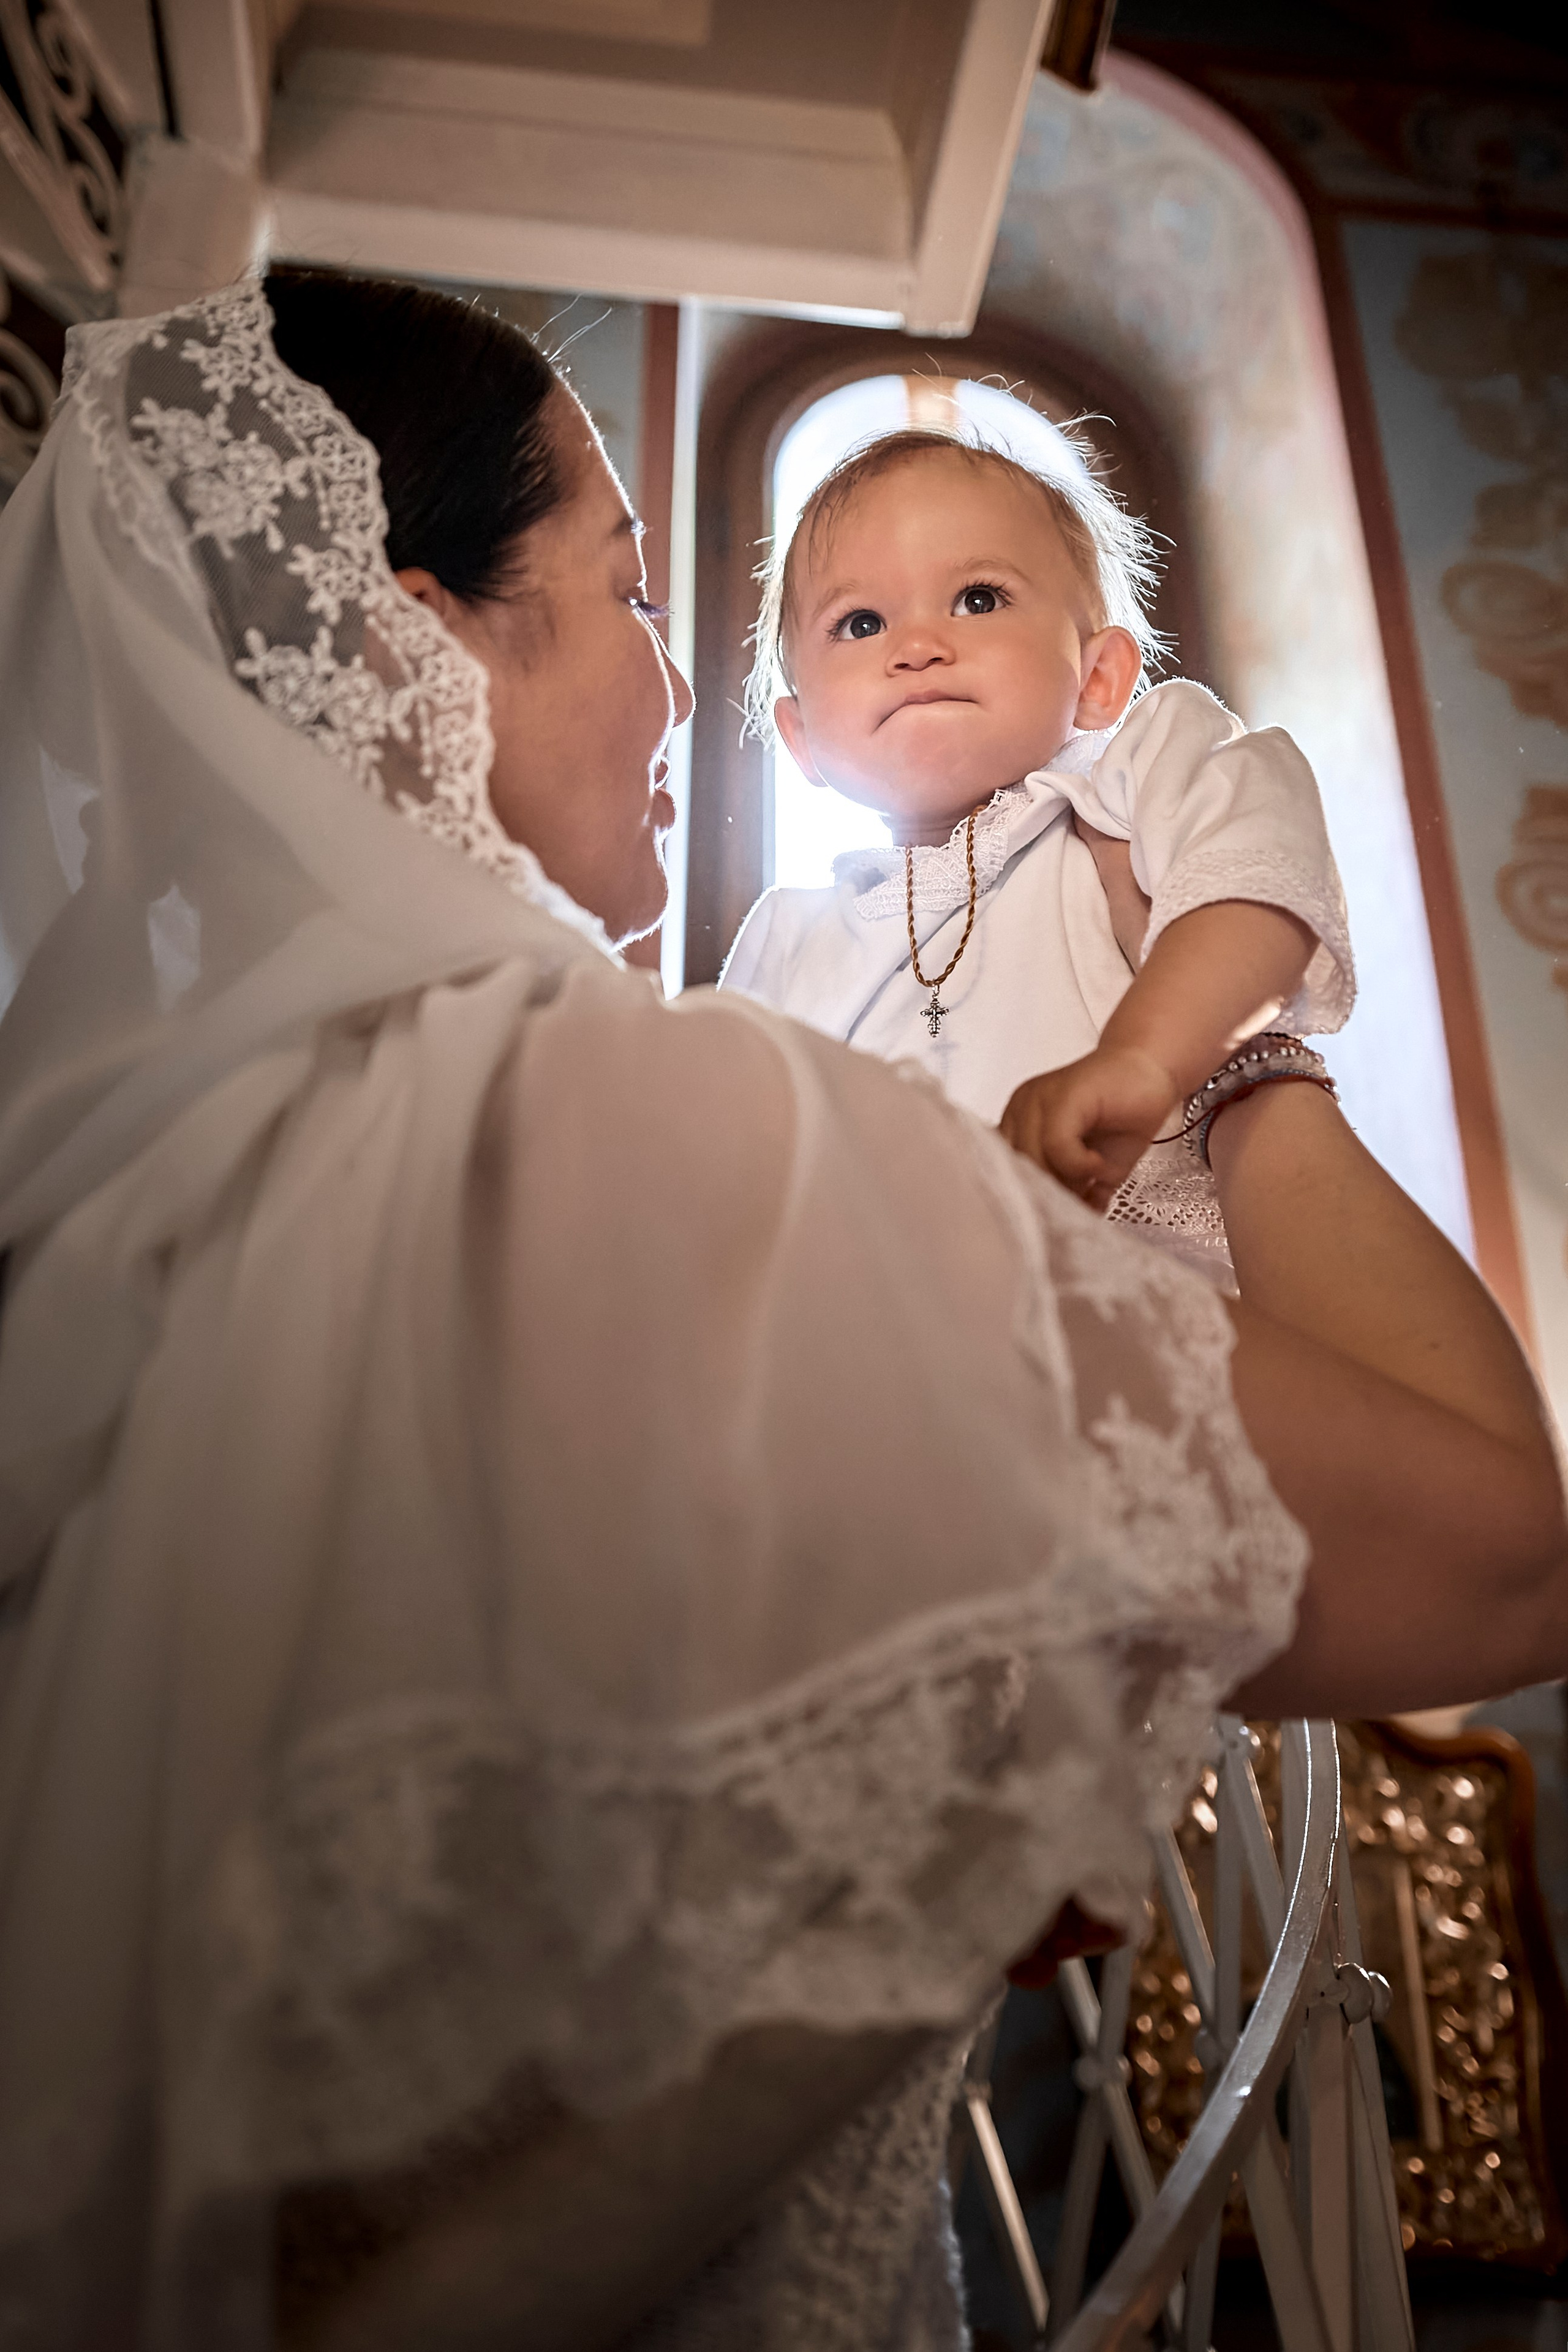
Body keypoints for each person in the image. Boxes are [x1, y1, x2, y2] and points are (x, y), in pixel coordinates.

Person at [0, 272, 1558, 2352]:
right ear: (431, 633)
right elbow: (1502, 1554)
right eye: (636, 591)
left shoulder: (104, 1216)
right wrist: (1227, 1061)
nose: (674, 687)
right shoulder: (695, 1130)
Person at [720, 429, 1353, 1280]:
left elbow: (1257, 878)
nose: (916, 646)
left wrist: (1141, 1057)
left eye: (978, 599)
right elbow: (730, 1167)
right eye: (861, 622)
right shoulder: (785, 936)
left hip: (1134, 1298)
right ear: (802, 741)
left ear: (1096, 678)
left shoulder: (1128, 784)